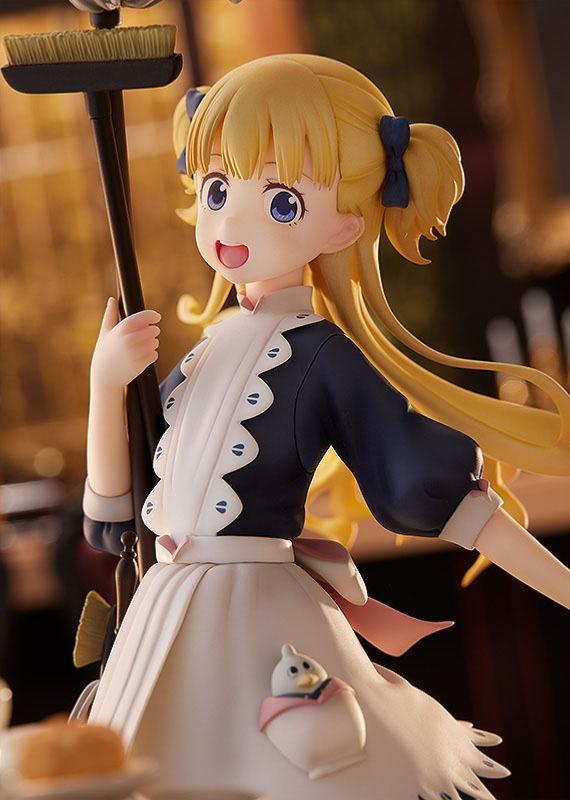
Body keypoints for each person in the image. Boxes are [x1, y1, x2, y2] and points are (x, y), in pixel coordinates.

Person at [82, 55, 570, 799]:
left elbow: (428, 491)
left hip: (256, 619)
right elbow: (113, 519)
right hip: (163, 619)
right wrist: (104, 384)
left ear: (345, 223)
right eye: (217, 190)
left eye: (281, 202)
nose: (229, 223)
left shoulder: (323, 358)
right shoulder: (205, 354)